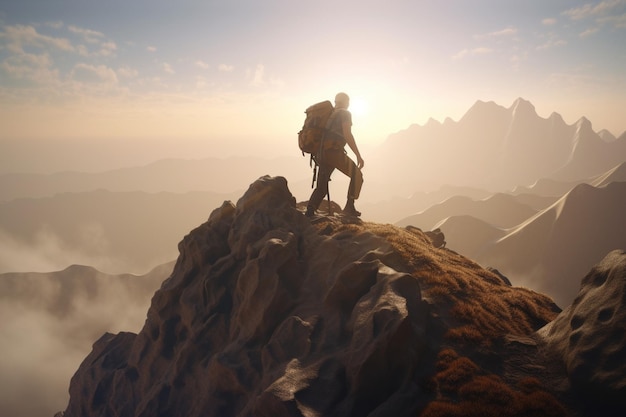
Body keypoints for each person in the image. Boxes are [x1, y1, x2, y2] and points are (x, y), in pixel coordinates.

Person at [306, 92, 364, 217]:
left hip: (322, 153)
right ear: (346, 102)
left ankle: (310, 210)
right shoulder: (345, 113)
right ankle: (349, 207)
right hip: (334, 152)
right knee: (357, 175)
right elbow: (347, 134)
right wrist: (358, 155)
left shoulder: (329, 115)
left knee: (321, 186)